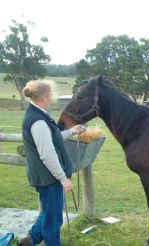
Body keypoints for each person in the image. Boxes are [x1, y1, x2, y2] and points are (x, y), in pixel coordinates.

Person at [18, 81, 84, 246]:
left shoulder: (38, 114)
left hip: (47, 176)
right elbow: (47, 155)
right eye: (51, 95)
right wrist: (63, 178)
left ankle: (30, 240)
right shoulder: (38, 121)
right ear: (45, 97)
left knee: (48, 211)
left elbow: (52, 138)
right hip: (49, 178)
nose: (52, 98)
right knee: (53, 220)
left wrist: (71, 131)